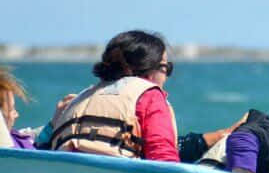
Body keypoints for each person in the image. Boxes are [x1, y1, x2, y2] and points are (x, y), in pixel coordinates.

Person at [47, 30, 179, 162]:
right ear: (149, 69)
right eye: (165, 67)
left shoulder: (76, 101)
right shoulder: (150, 96)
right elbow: (163, 157)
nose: (166, 76)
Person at [0, 66, 32, 149]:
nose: (16, 115)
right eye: (11, 109)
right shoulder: (10, 150)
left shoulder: (14, 136)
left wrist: (52, 125)